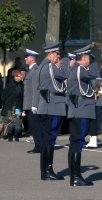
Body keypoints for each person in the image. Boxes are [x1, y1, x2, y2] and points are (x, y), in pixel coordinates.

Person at [32, 42, 67, 181]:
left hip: (47, 106)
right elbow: (64, 76)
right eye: (57, 55)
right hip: (52, 106)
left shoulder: (42, 66)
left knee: (48, 139)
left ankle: (45, 170)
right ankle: (47, 170)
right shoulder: (49, 66)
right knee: (49, 140)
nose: (58, 57)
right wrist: (62, 65)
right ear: (51, 54)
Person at [67, 45, 97, 186]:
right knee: (77, 143)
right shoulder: (80, 69)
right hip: (81, 110)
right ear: (84, 58)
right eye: (89, 58)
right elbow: (95, 74)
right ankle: (76, 177)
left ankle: (75, 176)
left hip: (76, 110)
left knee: (75, 143)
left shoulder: (75, 69)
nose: (90, 61)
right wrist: (96, 61)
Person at [23, 49, 41, 153]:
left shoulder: (35, 70)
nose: (25, 58)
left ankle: (38, 146)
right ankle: (38, 145)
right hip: (29, 104)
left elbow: (35, 89)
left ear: (32, 58)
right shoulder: (31, 70)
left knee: (35, 126)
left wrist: (34, 104)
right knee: (33, 126)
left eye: (27, 56)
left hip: (32, 104)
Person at [1, 70, 24, 142]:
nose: (21, 77)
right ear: (15, 77)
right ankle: (9, 136)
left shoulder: (21, 86)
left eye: (21, 76)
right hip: (9, 108)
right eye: (19, 76)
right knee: (10, 124)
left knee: (17, 125)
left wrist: (21, 109)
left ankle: (16, 135)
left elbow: (21, 98)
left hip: (18, 108)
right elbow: (3, 97)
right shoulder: (9, 86)